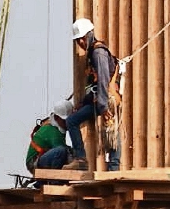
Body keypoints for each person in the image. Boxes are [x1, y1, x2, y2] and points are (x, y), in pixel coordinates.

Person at [64, 18, 122, 172]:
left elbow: (103, 79)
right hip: (97, 98)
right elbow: (93, 85)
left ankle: (114, 168)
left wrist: (103, 106)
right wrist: (83, 103)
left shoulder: (98, 53)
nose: (80, 43)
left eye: (82, 39)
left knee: (111, 130)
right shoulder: (93, 54)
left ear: (89, 35)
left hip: (106, 98)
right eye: (78, 41)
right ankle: (81, 158)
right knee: (72, 121)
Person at [25, 98, 74, 174]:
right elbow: (65, 153)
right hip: (34, 163)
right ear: (57, 118)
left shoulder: (57, 126)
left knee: (66, 151)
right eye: (65, 121)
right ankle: (54, 179)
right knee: (61, 151)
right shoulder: (53, 130)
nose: (68, 123)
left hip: (43, 158)